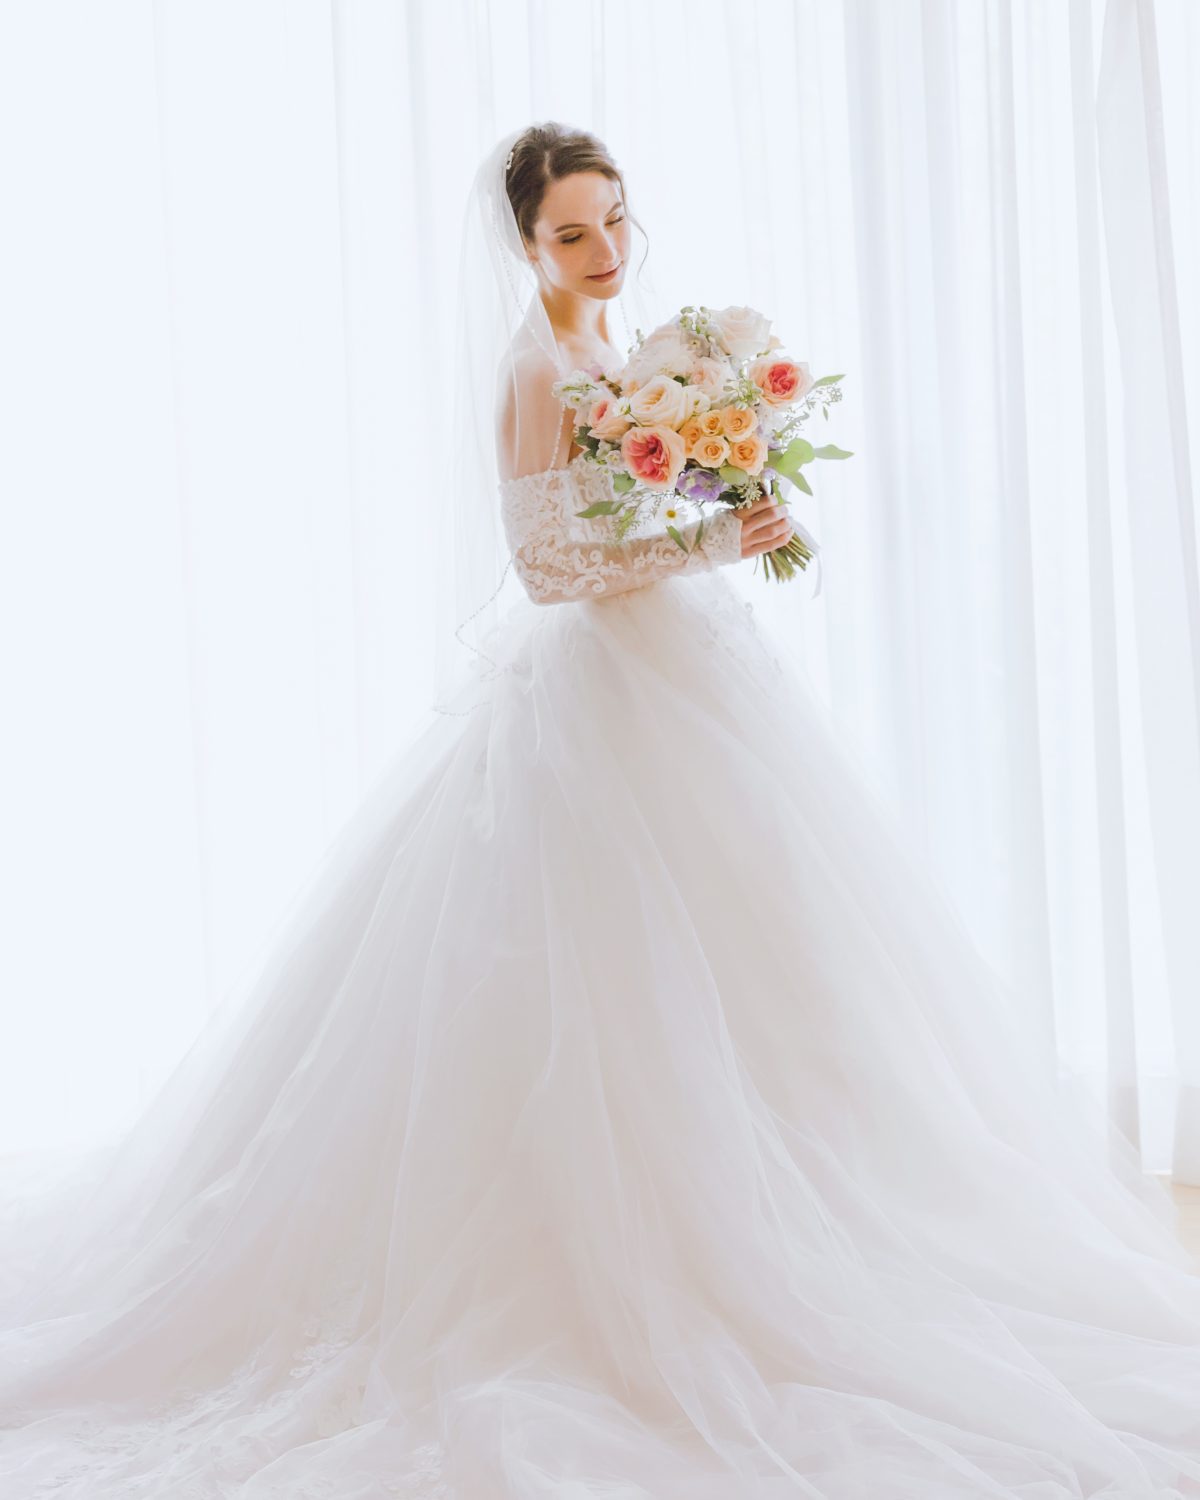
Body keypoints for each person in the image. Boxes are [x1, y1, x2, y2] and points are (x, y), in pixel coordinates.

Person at [1, 121, 1199, 1499]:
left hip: (681, 675)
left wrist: (722, 463)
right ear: (523, 243)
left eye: (618, 218)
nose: (606, 249)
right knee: (604, 981)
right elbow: (550, 565)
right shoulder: (533, 365)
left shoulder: (616, 345)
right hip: (596, 697)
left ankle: (802, 1221)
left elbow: (628, 495)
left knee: (772, 970)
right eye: (574, 232)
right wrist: (710, 530)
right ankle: (631, 1264)